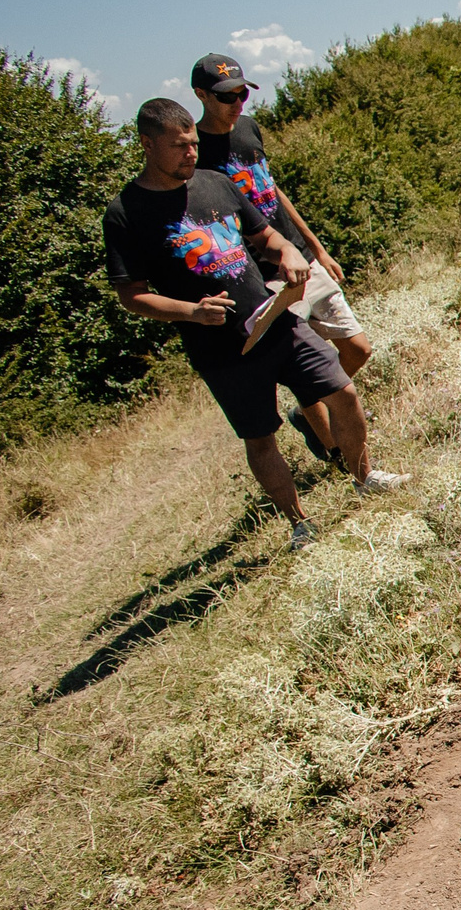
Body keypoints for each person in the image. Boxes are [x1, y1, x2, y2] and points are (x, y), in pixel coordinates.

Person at [103, 99, 405, 552]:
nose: (191, 153)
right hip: (221, 349)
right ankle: (300, 525)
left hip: (275, 319)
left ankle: (365, 479)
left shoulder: (216, 183)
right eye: (179, 146)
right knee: (261, 438)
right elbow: (132, 295)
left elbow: (265, 235)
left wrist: (288, 252)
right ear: (147, 145)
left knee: (343, 392)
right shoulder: (126, 213)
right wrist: (191, 311)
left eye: (193, 143)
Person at [188, 51, 370, 469]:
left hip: (301, 257)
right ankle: (336, 454)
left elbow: (271, 189)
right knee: (306, 367)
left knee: (358, 348)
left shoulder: (248, 128)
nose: (237, 103)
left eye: (242, 94)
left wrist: (316, 247)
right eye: (226, 97)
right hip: (264, 276)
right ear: (201, 95)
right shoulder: (195, 154)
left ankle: (307, 414)